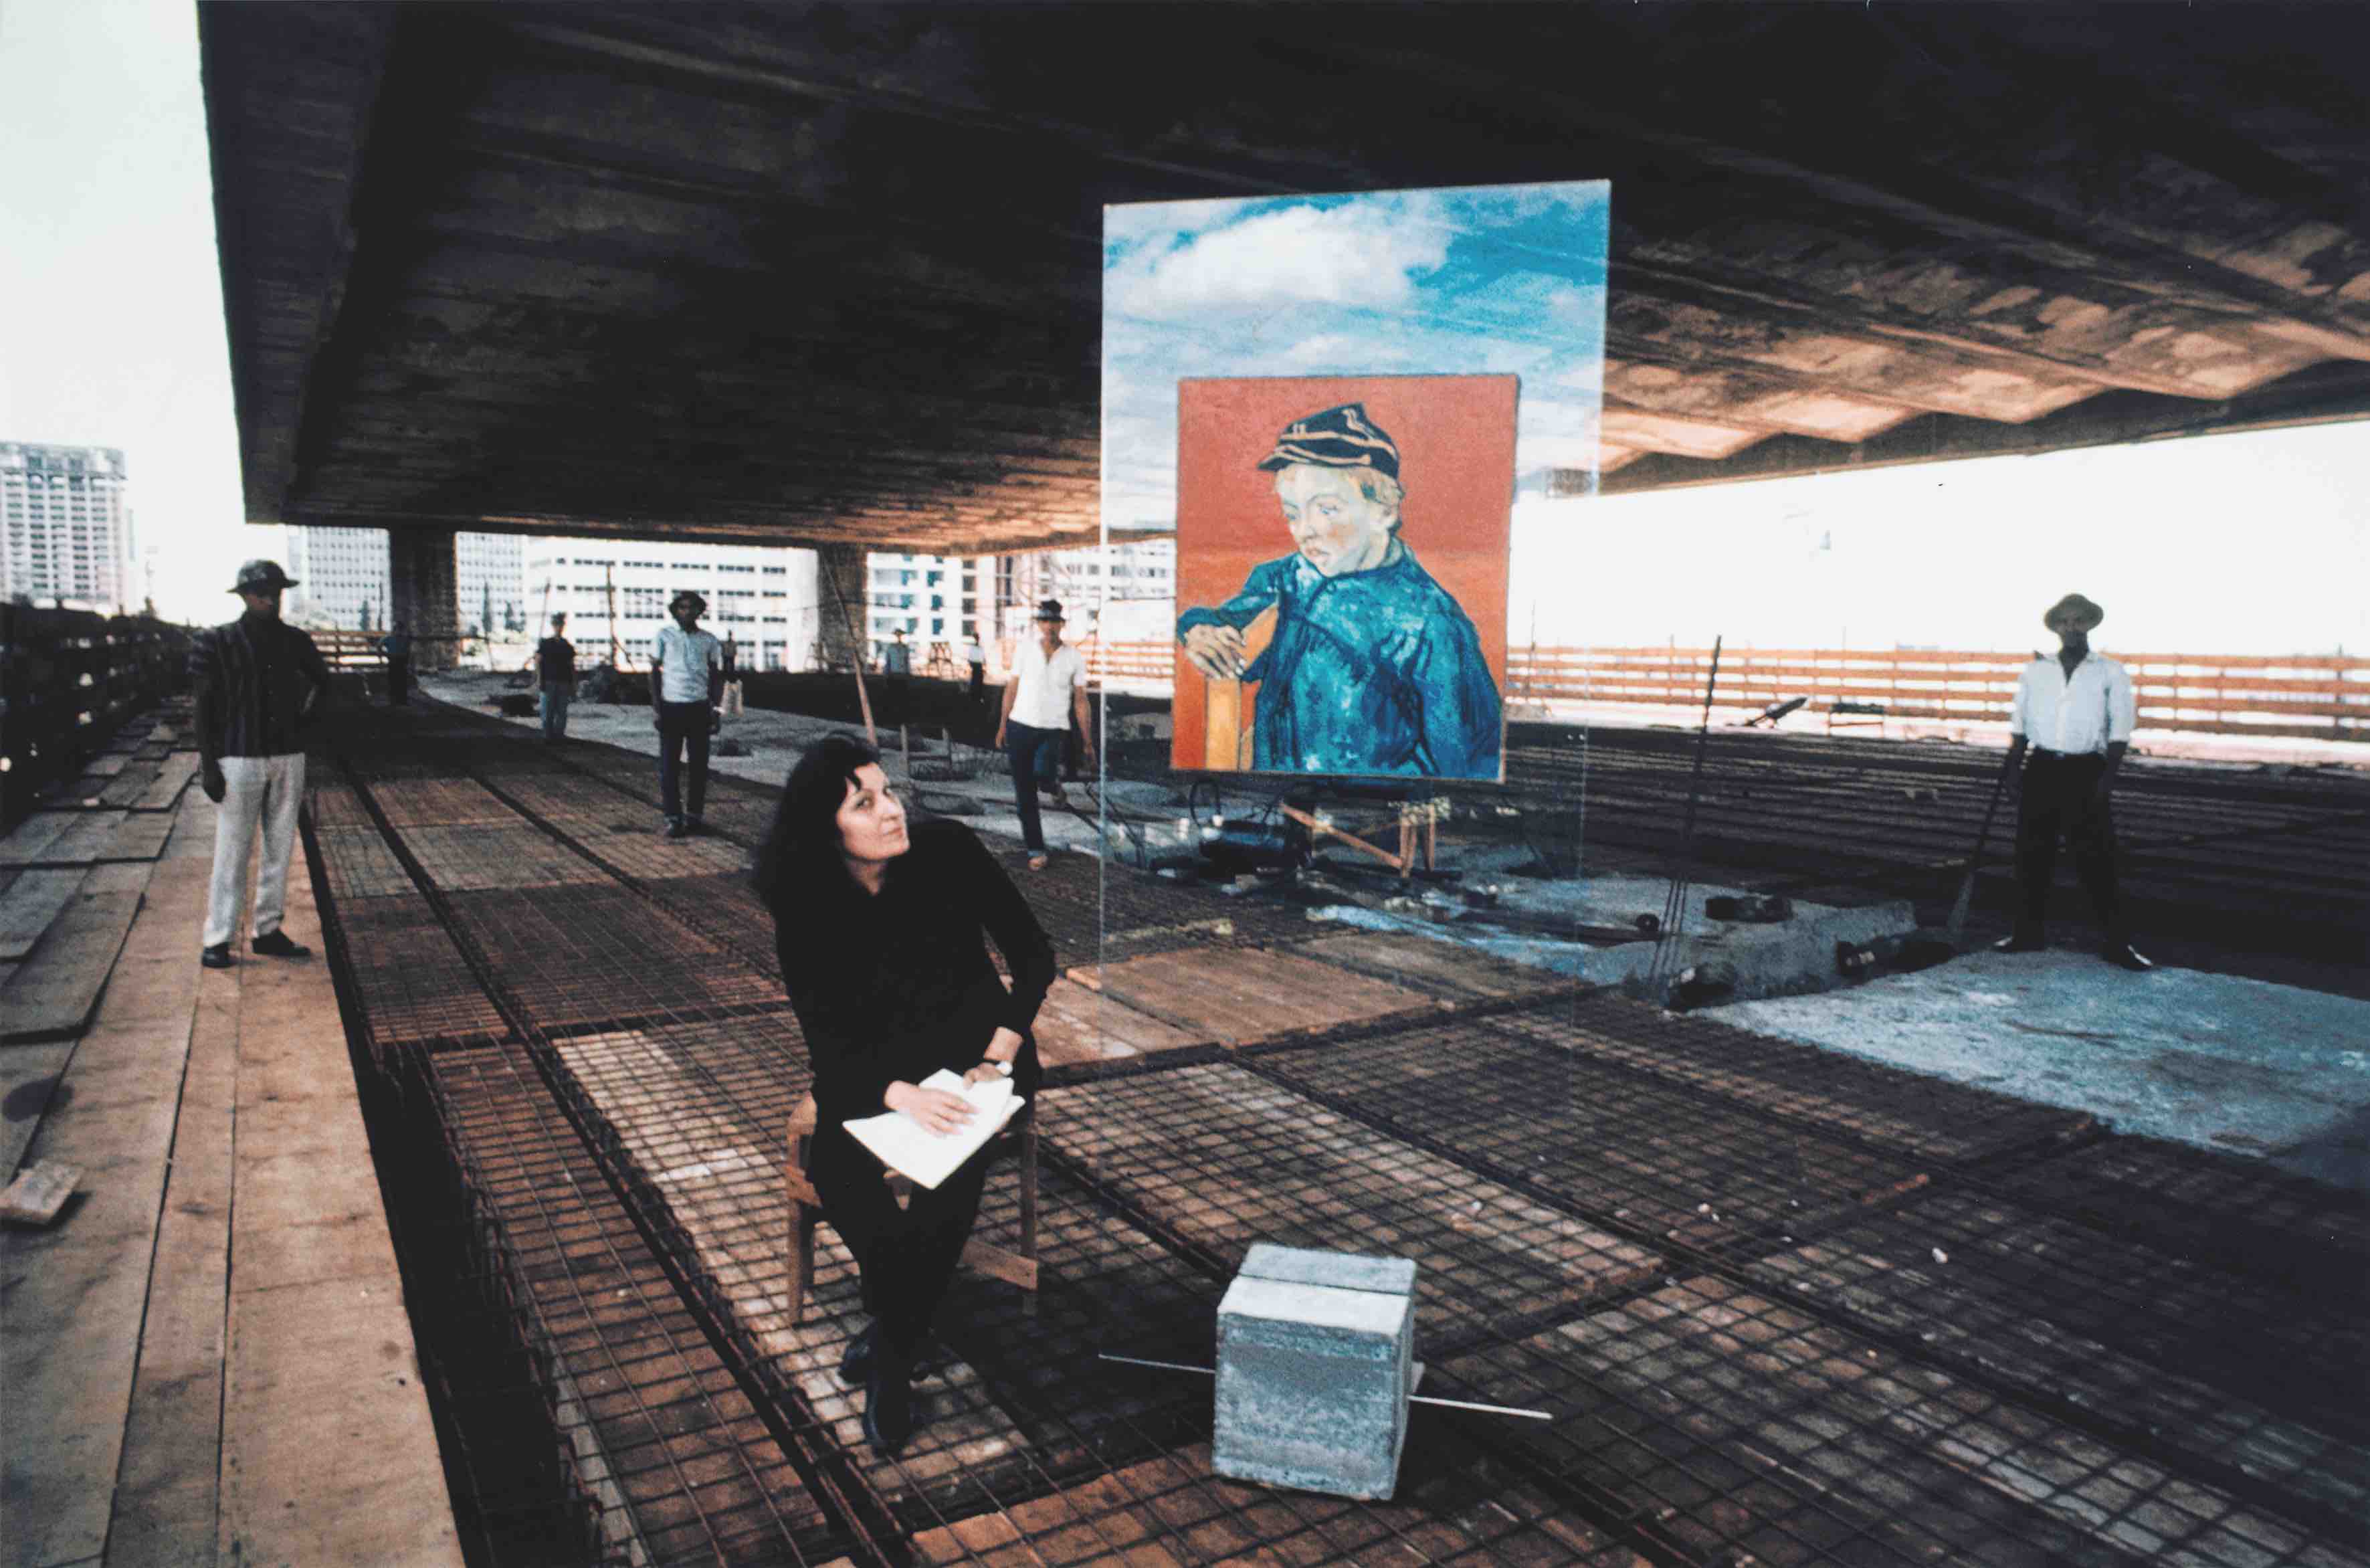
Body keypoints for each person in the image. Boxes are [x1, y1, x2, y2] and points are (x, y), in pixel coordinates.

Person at [756, 734, 1052, 1457]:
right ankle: (903, 1321)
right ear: (828, 831)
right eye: (867, 802)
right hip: (879, 1070)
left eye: (888, 791)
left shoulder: (947, 851)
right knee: (835, 1165)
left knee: (946, 1179)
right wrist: (899, 1095)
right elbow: (829, 1048)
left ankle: (891, 1361)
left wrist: (998, 1056)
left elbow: (1035, 956)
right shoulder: (806, 913)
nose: (893, 811)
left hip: (981, 1057)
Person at [1177, 402, 1502, 779]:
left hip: (1372, 806)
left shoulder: (1428, 621)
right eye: (1293, 514)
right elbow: (1222, 620)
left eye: (1327, 510)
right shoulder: (1285, 579)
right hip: (1277, 794)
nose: (1304, 531)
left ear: (1384, 512)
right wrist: (1198, 629)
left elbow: (1468, 758)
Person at [189, 560, 332, 969]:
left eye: (276, 592)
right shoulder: (214, 642)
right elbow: (202, 705)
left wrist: (304, 723)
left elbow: (323, 681)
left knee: (280, 848)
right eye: (262, 593)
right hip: (237, 758)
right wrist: (209, 764)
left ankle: (267, 930)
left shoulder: (295, 641)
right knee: (232, 850)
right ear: (246, 597)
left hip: (287, 756)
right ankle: (217, 938)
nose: (271, 599)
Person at [1997, 592, 2149, 971]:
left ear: (2090, 625)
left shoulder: (2109, 671)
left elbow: (2120, 731)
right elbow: (2019, 726)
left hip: (2086, 771)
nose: (2071, 627)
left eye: (2078, 620)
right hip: (2042, 768)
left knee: (2097, 858)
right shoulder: (2035, 671)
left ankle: (2117, 944)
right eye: (2065, 621)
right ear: (2056, 627)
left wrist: (2107, 779)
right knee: (2032, 854)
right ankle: (2027, 934)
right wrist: (2013, 771)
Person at [995, 599, 1094, 870]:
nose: (1050, 626)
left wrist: (1088, 742)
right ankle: (1036, 848)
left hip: (1053, 730)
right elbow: (1011, 689)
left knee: (1043, 774)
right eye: (1045, 621)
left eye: (1054, 621)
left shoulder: (1074, 657)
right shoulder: (1025, 650)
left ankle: (1054, 787)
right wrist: (1003, 726)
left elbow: (1081, 701)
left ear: (1062, 625)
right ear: (1039, 624)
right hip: (1020, 727)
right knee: (1024, 793)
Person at [650, 589, 724, 839]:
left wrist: (717, 710)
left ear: (699, 611)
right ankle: (673, 817)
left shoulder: (709, 640)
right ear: (675, 611)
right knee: (669, 767)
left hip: (699, 708)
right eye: (682, 607)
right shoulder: (664, 636)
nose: (687, 612)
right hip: (671, 708)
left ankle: (694, 816)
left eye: (692, 607)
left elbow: (716, 676)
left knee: (699, 766)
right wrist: (658, 708)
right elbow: (654, 674)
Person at [536, 612, 575, 740]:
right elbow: (538, 662)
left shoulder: (567, 646)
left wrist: (573, 685)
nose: (559, 627)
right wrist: (539, 679)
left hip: (563, 682)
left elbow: (571, 666)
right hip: (549, 681)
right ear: (553, 626)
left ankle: (559, 736)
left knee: (562, 712)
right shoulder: (546, 644)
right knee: (547, 711)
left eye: (561, 625)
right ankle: (548, 736)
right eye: (557, 625)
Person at [881, 628, 913, 726]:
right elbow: (888, 661)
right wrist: (886, 674)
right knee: (894, 696)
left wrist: (909, 673)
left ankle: (902, 718)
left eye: (900, 635)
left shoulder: (905, 648)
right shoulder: (891, 647)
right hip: (893, 674)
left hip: (903, 674)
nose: (899, 637)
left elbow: (907, 662)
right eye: (897, 635)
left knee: (903, 697)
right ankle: (893, 717)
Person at [379, 622, 413, 705]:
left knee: (402, 681)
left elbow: (408, 651)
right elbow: (379, 646)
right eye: (398, 630)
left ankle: (402, 700)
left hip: (401, 662)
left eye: (401, 630)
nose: (400, 632)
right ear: (395, 630)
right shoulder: (389, 639)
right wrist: (384, 655)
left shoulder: (405, 640)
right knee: (393, 681)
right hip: (394, 661)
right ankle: (394, 700)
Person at [963, 635, 988, 702]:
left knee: (976, 681)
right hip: (976, 666)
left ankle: (976, 697)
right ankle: (976, 697)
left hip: (977, 666)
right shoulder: (974, 648)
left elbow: (983, 659)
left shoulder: (978, 648)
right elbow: (971, 659)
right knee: (977, 681)